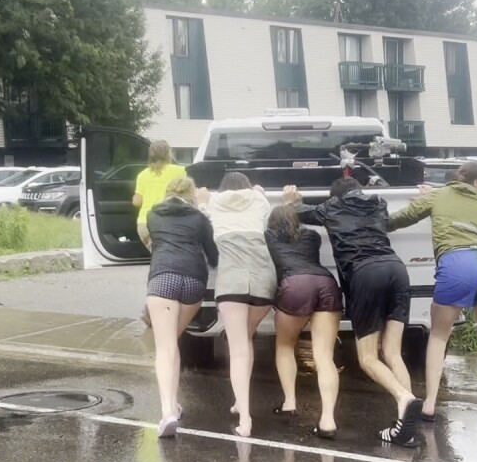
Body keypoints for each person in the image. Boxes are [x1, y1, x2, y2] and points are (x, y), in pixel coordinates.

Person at [282, 178, 424, 447]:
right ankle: (406, 428)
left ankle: (405, 399)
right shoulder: (379, 204)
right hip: (397, 269)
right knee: (392, 352)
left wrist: (292, 202)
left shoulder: (331, 207)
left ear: (335, 196)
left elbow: (298, 213)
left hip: (366, 274)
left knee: (368, 358)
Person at [387, 161, 477, 435]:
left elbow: (400, 219)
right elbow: (457, 198)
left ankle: (429, 406)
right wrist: (435, 194)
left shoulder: (439, 195)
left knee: (439, 336)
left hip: (457, 263)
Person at [198, 172, 274, 438]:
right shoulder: (259, 202)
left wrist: (206, 198)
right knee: (247, 340)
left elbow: (203, 205)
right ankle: (240, 402)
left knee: (238, 348)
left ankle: (245, 418)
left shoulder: (213, 206)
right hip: (264, 281)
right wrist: (258, 191)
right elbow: (262, 199)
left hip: (233, 282)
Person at [145, 176, 218, 438]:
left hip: (163, 279)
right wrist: (204, 209)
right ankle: (174, 404)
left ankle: (167, 412)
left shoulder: (154, 215)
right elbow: (214, 255)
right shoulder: (199, 219)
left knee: (164, 347)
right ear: (192, 195)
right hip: (193, 283)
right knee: (171, 342)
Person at [265, 205, 342, 438]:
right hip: (326, 284)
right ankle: (327, 419)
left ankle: (290, 403)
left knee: (286, 345)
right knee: (324, 356)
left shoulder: (268, 237)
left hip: (295, 284)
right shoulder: (313, 236)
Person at [133, 141, 186, 251]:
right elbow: (187, 195)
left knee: (160, 259)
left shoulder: (142, 175)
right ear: (168, 153)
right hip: (169, 223)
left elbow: (137, 202)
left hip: (145, 224)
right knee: (171, 259)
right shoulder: (180, 171)